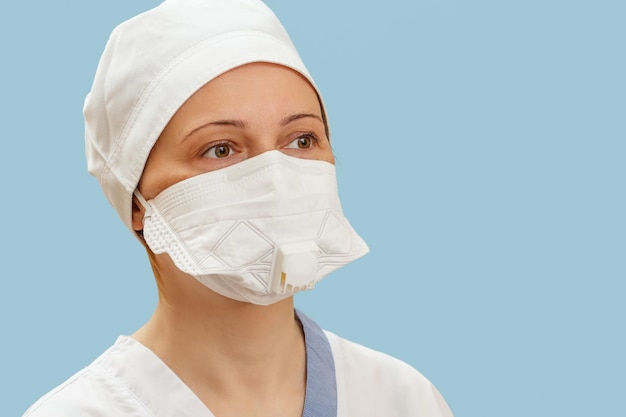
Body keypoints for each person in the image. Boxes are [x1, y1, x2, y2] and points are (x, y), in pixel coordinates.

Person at [23, 0, 454, 416]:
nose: (277, 177)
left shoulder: (403, 399)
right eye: (221, 149)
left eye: (302, 140)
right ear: (137, 201)